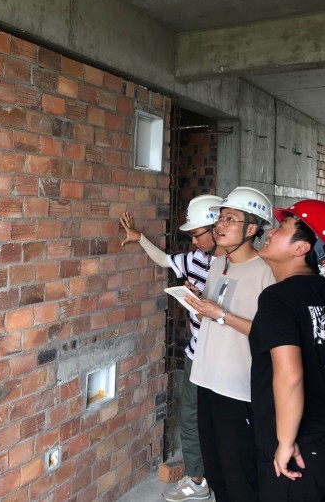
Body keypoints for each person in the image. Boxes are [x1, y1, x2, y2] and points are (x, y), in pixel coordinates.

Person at [249, 199, 325, 501]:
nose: (270, 232)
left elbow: (290, 375)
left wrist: (285, 442)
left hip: (299, 452)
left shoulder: (277, 298)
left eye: (282, 227)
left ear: (301, 248)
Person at [120, 194, 223, 501]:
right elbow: (165, 260)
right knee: (190, 416)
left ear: (216, 229)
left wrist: (205, 302)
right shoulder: (195, 259)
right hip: (196, 354)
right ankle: (197, 480)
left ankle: (228, 478)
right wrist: (140, 238)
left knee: (222, 420)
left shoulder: (233, 266)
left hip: (224, 359)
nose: (194, 241)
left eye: (197, 234)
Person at [184, 186, 276, 502]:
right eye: (220, 218)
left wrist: (220, 314)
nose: (220, 226)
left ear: (251, 229)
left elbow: (270, 334)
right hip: (206, 378)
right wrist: (198, 302)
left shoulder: (266, 272)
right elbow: (212, 311)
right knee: (216, 471)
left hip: (238, 389)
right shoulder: (218, 263)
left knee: (240, 475)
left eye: (230, 219)